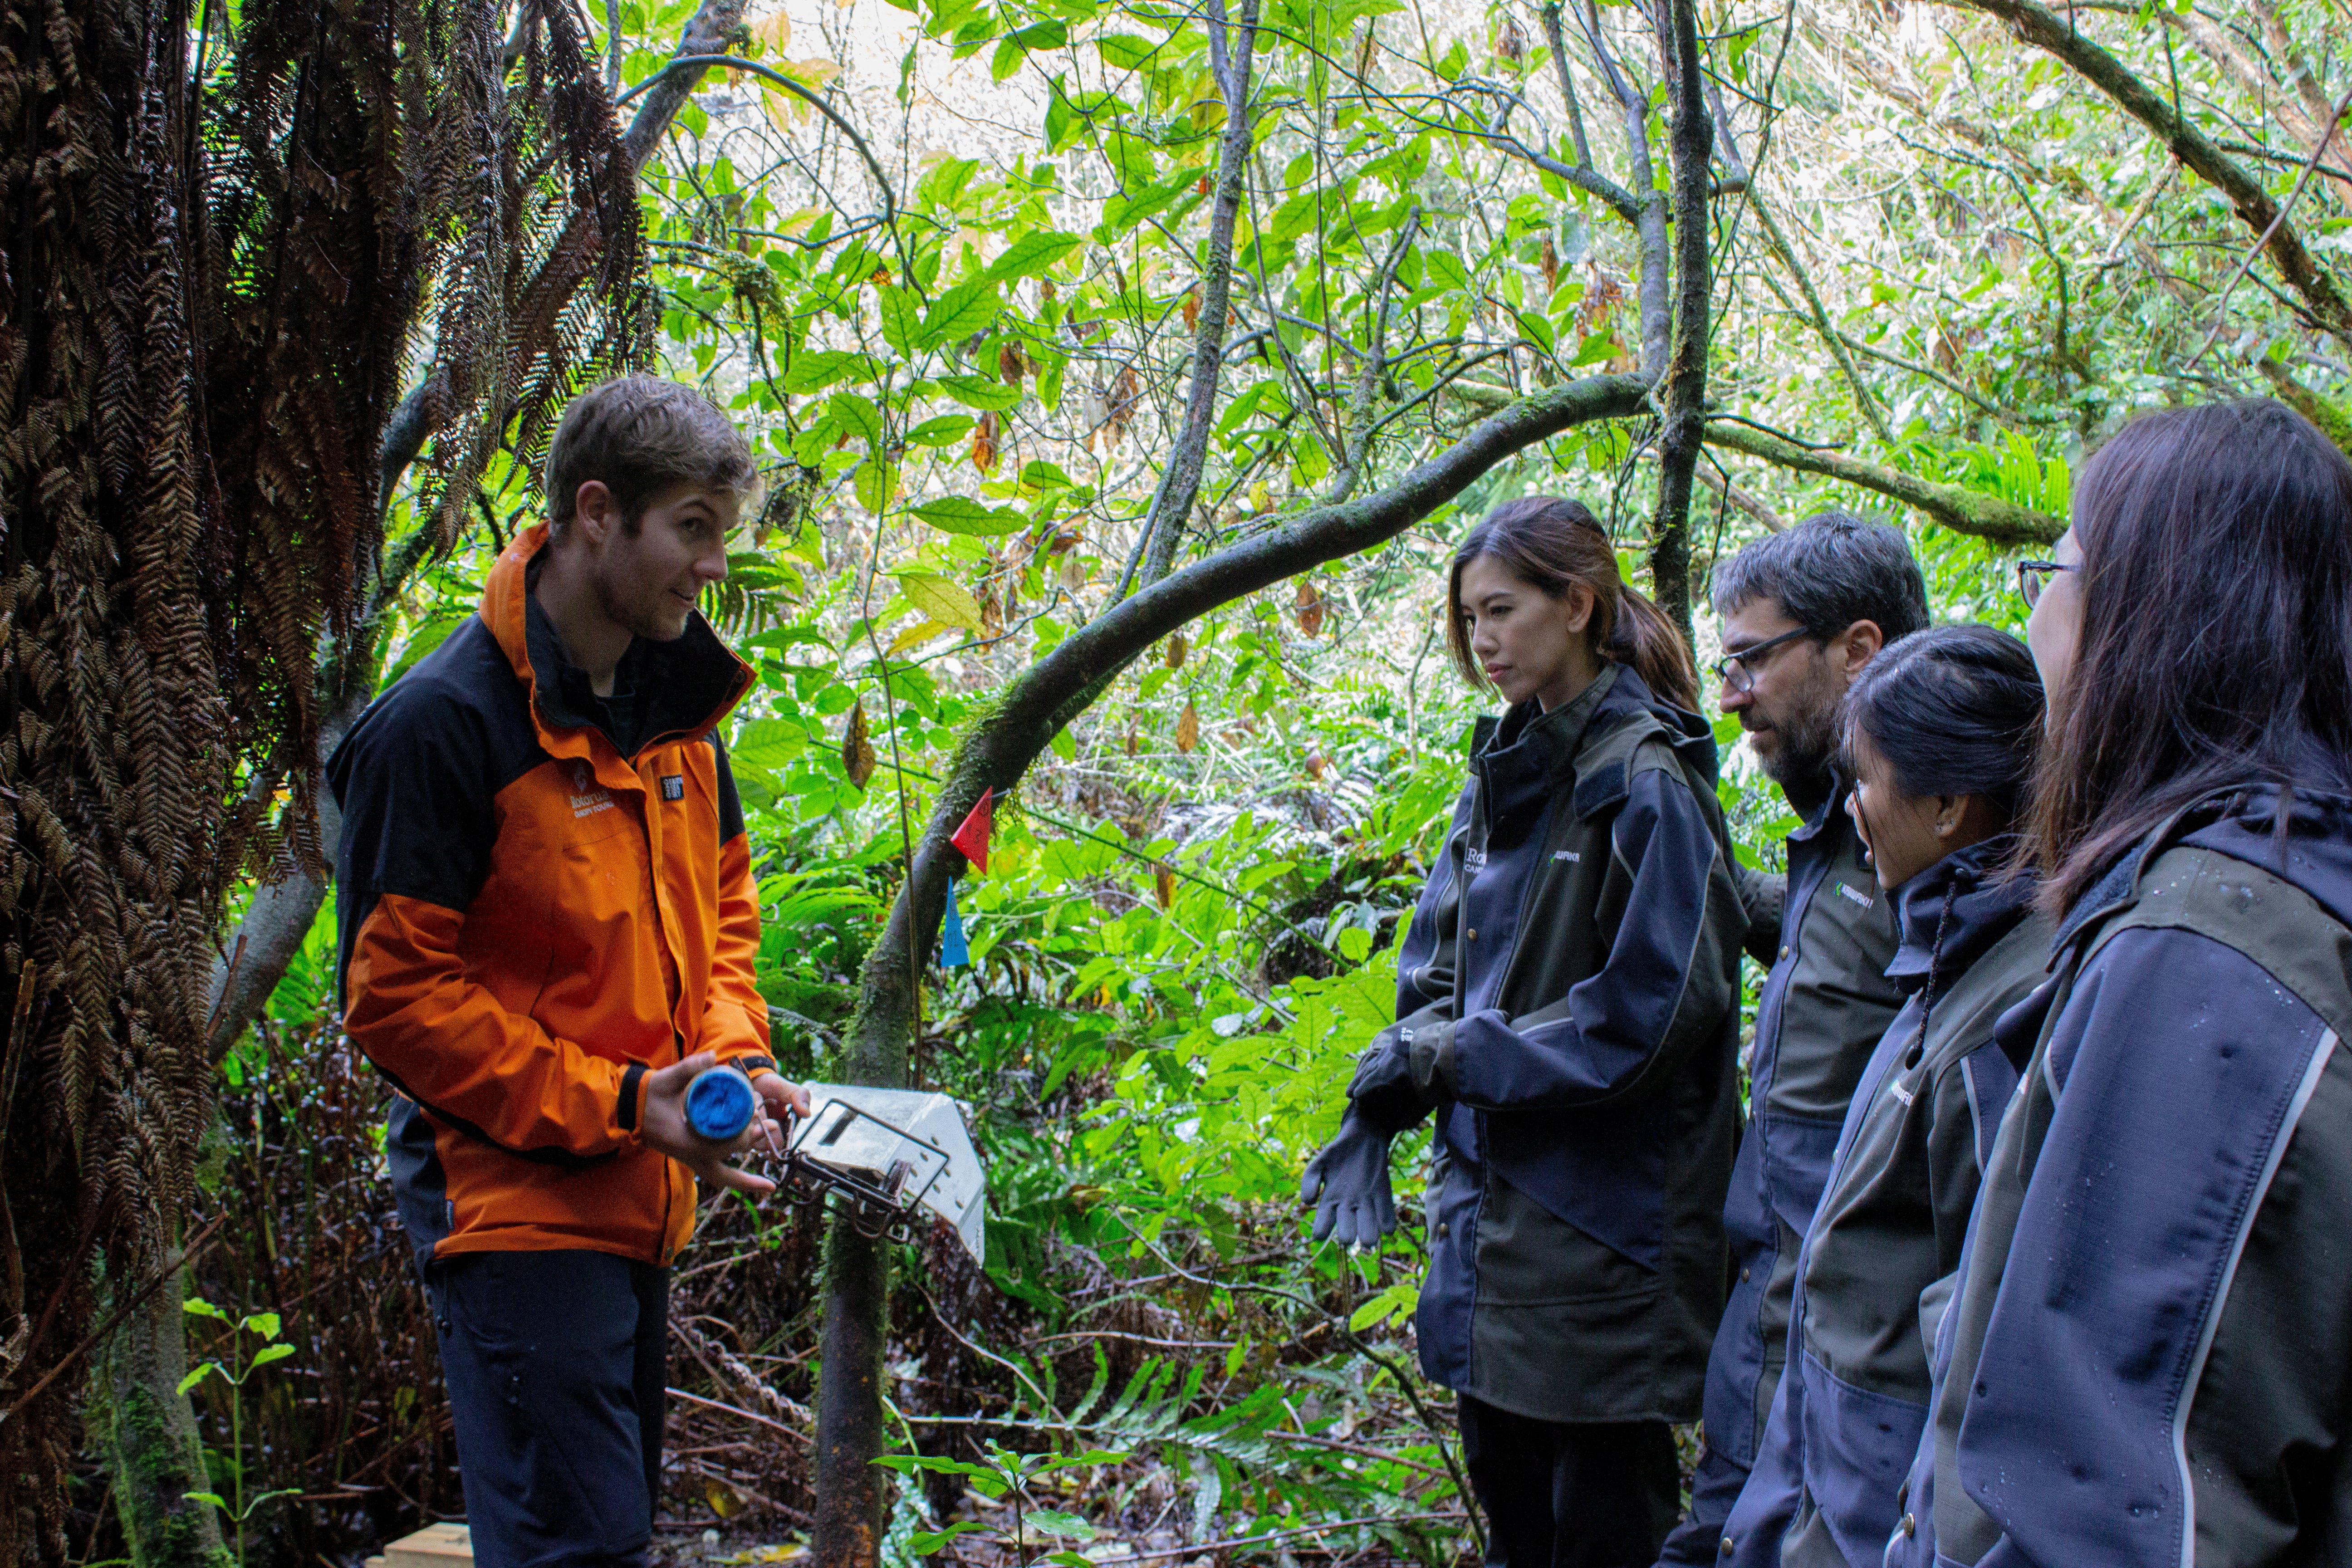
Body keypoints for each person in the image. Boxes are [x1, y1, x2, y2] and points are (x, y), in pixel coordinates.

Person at [331, 376, 809, 1567]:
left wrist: (734, 1058)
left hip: (641, 1206)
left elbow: (723, 916)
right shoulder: (444, 725)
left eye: (721, 532)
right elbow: (393, 998)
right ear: (598, 512)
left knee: (599, 1539)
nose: (712, 566)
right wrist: (616, 1101)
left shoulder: (680, 715)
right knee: (579, 1551)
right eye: (691, 527)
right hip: (510, 1212)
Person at [1891, 398, 2352, 1566]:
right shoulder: (2284, 887)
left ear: (2158, 610)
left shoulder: (2213, 958)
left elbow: (2122, 1506)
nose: (2038, 610)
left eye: (2063, 567)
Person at [1300, 496, 1745, 1568]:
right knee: (1514, 1530)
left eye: (1501, 611)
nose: (1483, 641)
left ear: (1578, 605)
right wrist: (1382, 1104)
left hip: (1606, 1243)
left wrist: (1449, 1057)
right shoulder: (1503, 775)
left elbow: (1652, 1015)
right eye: (1467, 619)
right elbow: (1437, 972)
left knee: (1603, 1533)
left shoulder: (1643, 782)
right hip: (1491, 1229)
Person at [1713, 626, 2048, 1567]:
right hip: (1840, 1496)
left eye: (1866, 783)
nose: (1855, 813)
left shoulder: (2010, 1013)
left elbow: (1981, 1354)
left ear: (1947, 804)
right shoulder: (1947, 961)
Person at [1658, 513, 1931, 1566]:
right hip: (1763, 1332)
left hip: (1841, 1377)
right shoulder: (1840, 826)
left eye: (1752, 660)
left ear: (1857, 651)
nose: (1731, 695)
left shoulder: (1943, 842)